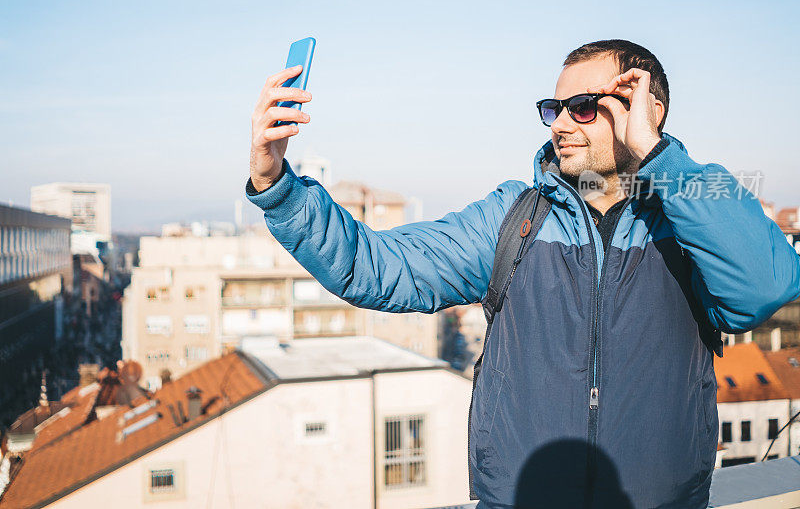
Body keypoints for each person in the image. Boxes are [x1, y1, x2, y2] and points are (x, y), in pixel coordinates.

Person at [245, 39, 800, 508]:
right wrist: (277, 184)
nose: (560, 124)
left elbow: (764, 288)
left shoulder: (695, 211)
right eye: (553, 108)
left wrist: (659, 159)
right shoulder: (516, 216)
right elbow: (373, 269)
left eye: (583, 106)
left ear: (644, 111)